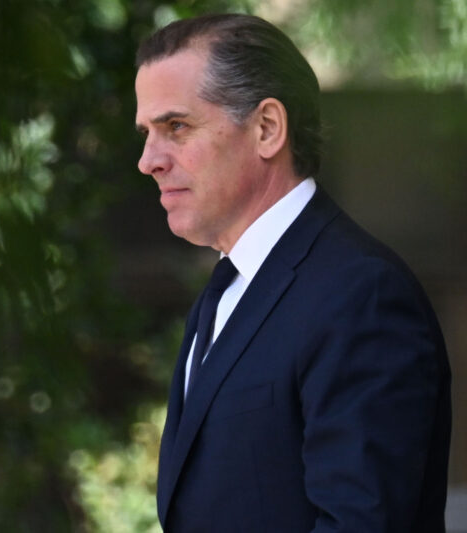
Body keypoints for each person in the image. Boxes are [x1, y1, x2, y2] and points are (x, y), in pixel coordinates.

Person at [133, 14, 451, 532]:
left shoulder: (360, 294)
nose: (149, 160)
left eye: (176, 127)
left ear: (267, 129)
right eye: (147, 133)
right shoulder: (225, 291)